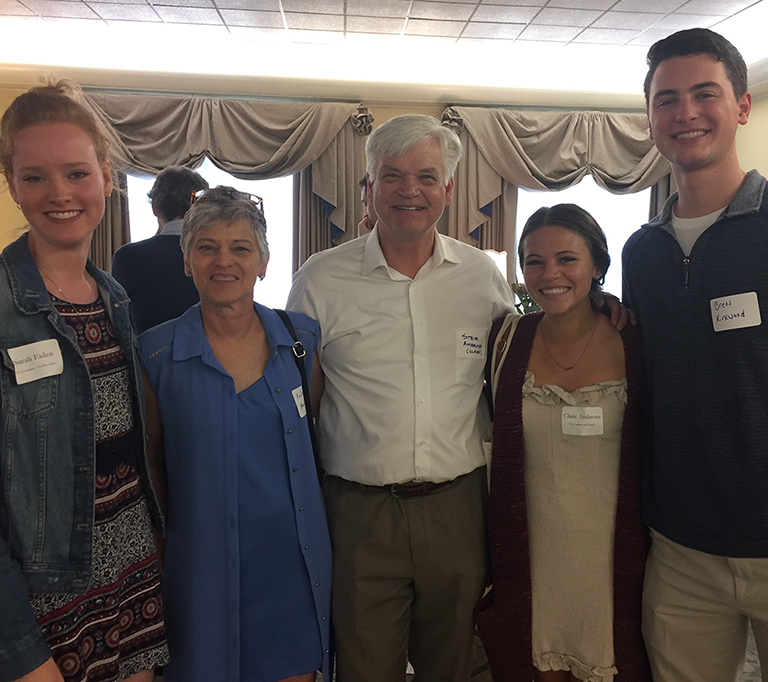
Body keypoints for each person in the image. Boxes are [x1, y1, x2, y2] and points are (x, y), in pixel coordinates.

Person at [287, 114, 516, 682]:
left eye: (425, 176)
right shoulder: (320, 279)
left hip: (458, 508)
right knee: (365, 669)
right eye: (391, 176)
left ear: (449, 189)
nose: (409, 190)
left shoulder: (481, 276)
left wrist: (603, 312)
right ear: (368, 187)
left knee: (454, 665)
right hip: (360, 515)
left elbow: (522, 363)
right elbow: (296, 399)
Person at [0, 81, 168, 682]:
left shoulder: (114, 297)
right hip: (46, 602)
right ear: (12, 184)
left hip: (131, 572)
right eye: (35, 177)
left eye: (76, 173)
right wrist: (19, 650)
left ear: (106, 176)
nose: (60, 194)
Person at [139, 186, 332, 682]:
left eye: (240, 248)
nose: (224, 261)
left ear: (263, 262)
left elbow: (317, 437)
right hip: (200, 572)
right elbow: (152, 467)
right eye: (207, 247)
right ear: (187, 261)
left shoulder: (300, 343)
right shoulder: (155, 356)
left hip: (291, 568)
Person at [622, 28, 768, 681]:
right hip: (680, 548)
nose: (685, 113)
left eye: (704, 94)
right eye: (667, 99)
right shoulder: (640, 253)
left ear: (740, 104)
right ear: (649, 118)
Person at [477, 204, 650, 682]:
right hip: (533, 555)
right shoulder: (505, 340)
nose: (549, 273)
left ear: (597, 266)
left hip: (614, 558)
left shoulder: (635, 339)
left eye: (567, 259)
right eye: (534, 261)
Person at [112, 166, 208, 333]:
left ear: (155, 208)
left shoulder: (127, 258)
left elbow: (119, 322)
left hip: (147, 356)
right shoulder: (217, 256)